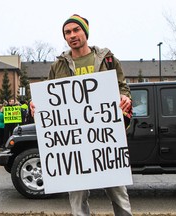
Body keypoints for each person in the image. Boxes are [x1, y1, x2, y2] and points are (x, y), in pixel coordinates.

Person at [31, 14, 133, 216]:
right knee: (77, 197)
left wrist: (125, 97)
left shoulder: (108, 59)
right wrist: (35, 104)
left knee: (118, 192)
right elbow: (49, 96)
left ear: (85, 32)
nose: (72, 35)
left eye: (76, 30)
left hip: (105, 140)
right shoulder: (57, 66)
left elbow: (123, 87)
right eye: (67, 32)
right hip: (73, 144)